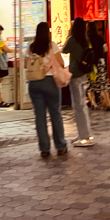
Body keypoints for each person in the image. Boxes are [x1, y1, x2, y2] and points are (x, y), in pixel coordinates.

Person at [25, 22, 68, 158]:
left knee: (40, 116)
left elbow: (26, 64)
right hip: (50, 82)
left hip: (34, 84)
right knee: (55, 114)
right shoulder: (51, 45)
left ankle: (44, 149)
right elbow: (61, 63)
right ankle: (60, 146)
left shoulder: (31, 47)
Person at [63, 17, 94, 146]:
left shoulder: (72, 39)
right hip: (84, 74)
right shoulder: (85, 39)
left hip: (75, 75)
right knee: (82, 105)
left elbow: (64, 49)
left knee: (78, 106)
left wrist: (68, 35)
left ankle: (84, 137)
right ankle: (85, 133)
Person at [86, 21, 110, 110]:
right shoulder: (100, 38)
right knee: (103, 83)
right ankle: (108, 103)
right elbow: (105, 49)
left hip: (90, 64)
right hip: (100, 62)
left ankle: (93, 103)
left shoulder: (86, 39)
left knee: (91, 83)